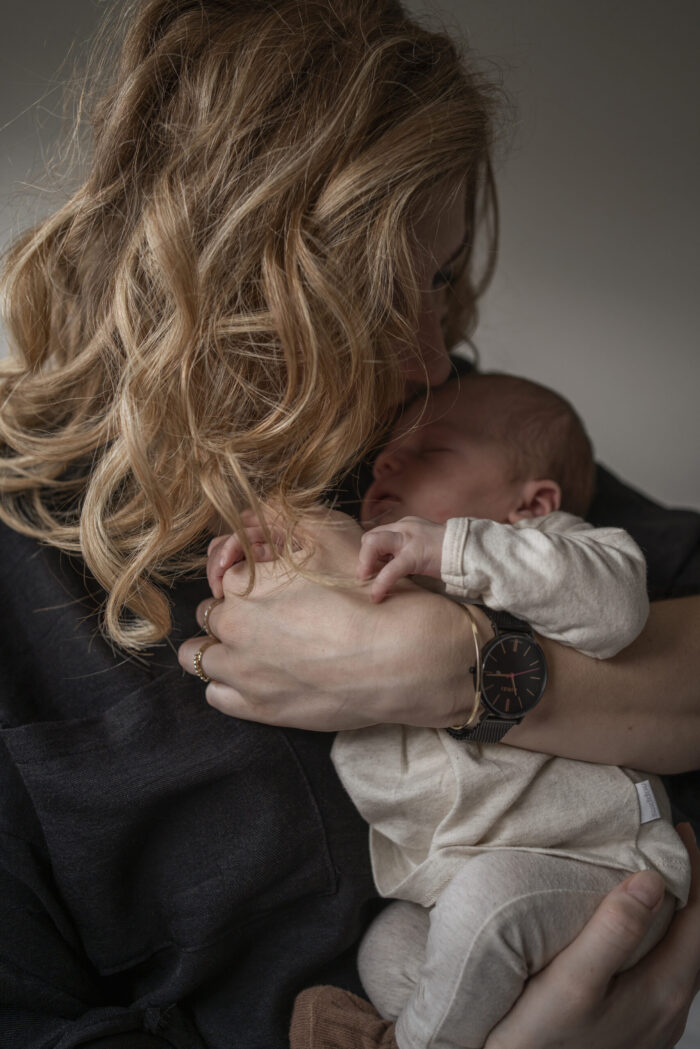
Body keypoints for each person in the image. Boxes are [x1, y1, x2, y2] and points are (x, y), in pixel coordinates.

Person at [0, 2, 698, 1049]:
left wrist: (457, 668)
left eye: (441, 280)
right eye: (368, 305)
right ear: (209, 282)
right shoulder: (21, 569)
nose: (430, 355)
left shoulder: (430, 432)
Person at [207, 371, 690, 1048]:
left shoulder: (556, 553)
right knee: (386, 949)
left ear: (532, 503)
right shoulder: (381, 582)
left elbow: (616, 610)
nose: (386, 465)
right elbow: (312, 637)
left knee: (481, 909)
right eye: (384, 458)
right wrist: (269, 545)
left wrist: (456, 548)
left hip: (592, 861)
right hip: (453, 882)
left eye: (430, 453)